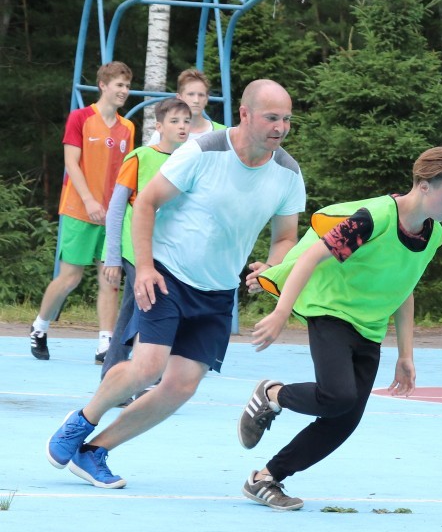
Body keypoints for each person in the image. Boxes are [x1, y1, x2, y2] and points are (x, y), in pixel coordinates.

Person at [44, 79, 305, 489]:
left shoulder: (287, 172)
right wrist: (144, 268)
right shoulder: (202, 152)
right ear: (245, 115)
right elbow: (145, 202)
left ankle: (94, 452)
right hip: (167, 275)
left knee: (181, 386)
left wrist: (271, 268)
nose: (281, 127)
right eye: (272, 117)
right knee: (146, 367)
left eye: (287, 119)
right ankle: (83, 420)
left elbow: (286, 237)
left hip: (218, 292)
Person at [236, 147, 442, 510]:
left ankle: (267, 478)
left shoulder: (432, 235)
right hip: (331, 310)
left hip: (370, 326)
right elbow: (312, 257)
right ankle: (272, 395)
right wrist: (282, 312)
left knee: (344, 420)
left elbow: (404, 288)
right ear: (425, 186)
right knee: (338, 397)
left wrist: (406, 355)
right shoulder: (375, 218)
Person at [30, 62, 136, 363]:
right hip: (80, 209)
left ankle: (105, 343)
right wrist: (90, 201)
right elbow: (72, 164)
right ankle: (40, 326)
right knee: (70, 278)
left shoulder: (127, 127)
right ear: (103, 85)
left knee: (110, 278)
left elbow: (127, 172)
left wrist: (124, 207)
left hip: (112, 213)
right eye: (119, 85)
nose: (124, 91)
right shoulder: (80, 118)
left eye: (127, 86)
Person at [100, 97, 192, 379]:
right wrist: (113, 256)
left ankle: (112, 376)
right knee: (150, 307)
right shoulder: (140, 156)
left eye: (186, 121)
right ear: (159, 126)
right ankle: (143, 377)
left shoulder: (190, 160)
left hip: (164, 251)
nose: (182, 127)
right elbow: (116, 208)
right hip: (134, 248)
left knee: (132, 312)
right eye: (174, 121)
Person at [148, 68, 226, 144]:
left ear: (206, 99)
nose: (196, 100)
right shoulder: (163, 133)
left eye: (201, 95)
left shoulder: (223, 133)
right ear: (179, 98)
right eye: (191, 94)